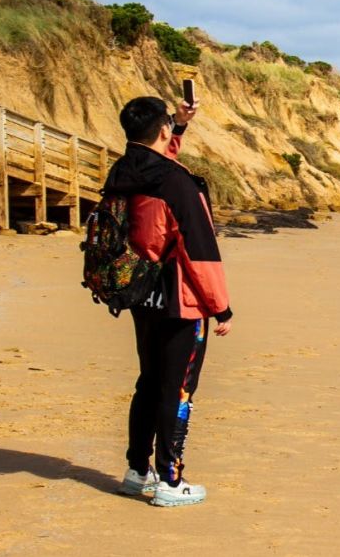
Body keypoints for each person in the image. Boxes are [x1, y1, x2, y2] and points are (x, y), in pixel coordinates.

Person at [103, 95, 233, 506]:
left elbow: (158, 166)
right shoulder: (176, 183)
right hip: (180, 299)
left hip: (142, 292)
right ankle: (171, 482)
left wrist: (177, 126)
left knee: (150, 381)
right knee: (177, 390)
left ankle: (137, 471)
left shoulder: (125, 169)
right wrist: (221, 306)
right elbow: (200, 251)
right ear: (159, 131)